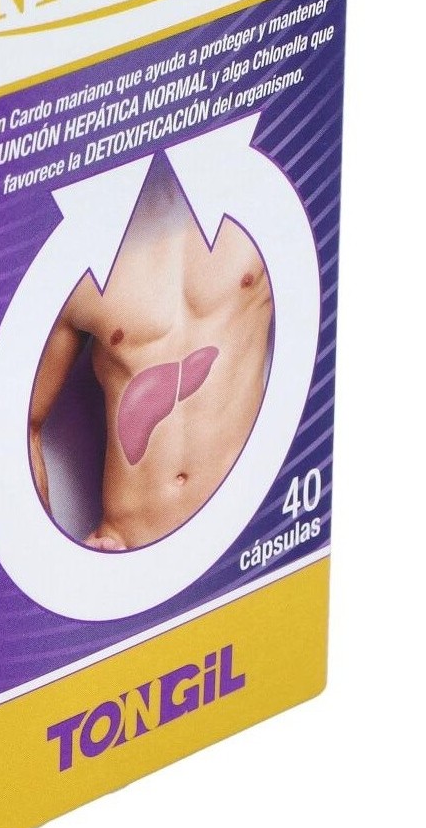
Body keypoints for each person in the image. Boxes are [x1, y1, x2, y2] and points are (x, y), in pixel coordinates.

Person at [28, 161, 272, 549]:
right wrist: (57, 557)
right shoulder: (78, 262)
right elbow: (25, 423)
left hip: (243, 530)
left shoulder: (261, 204)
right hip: (131, 546)